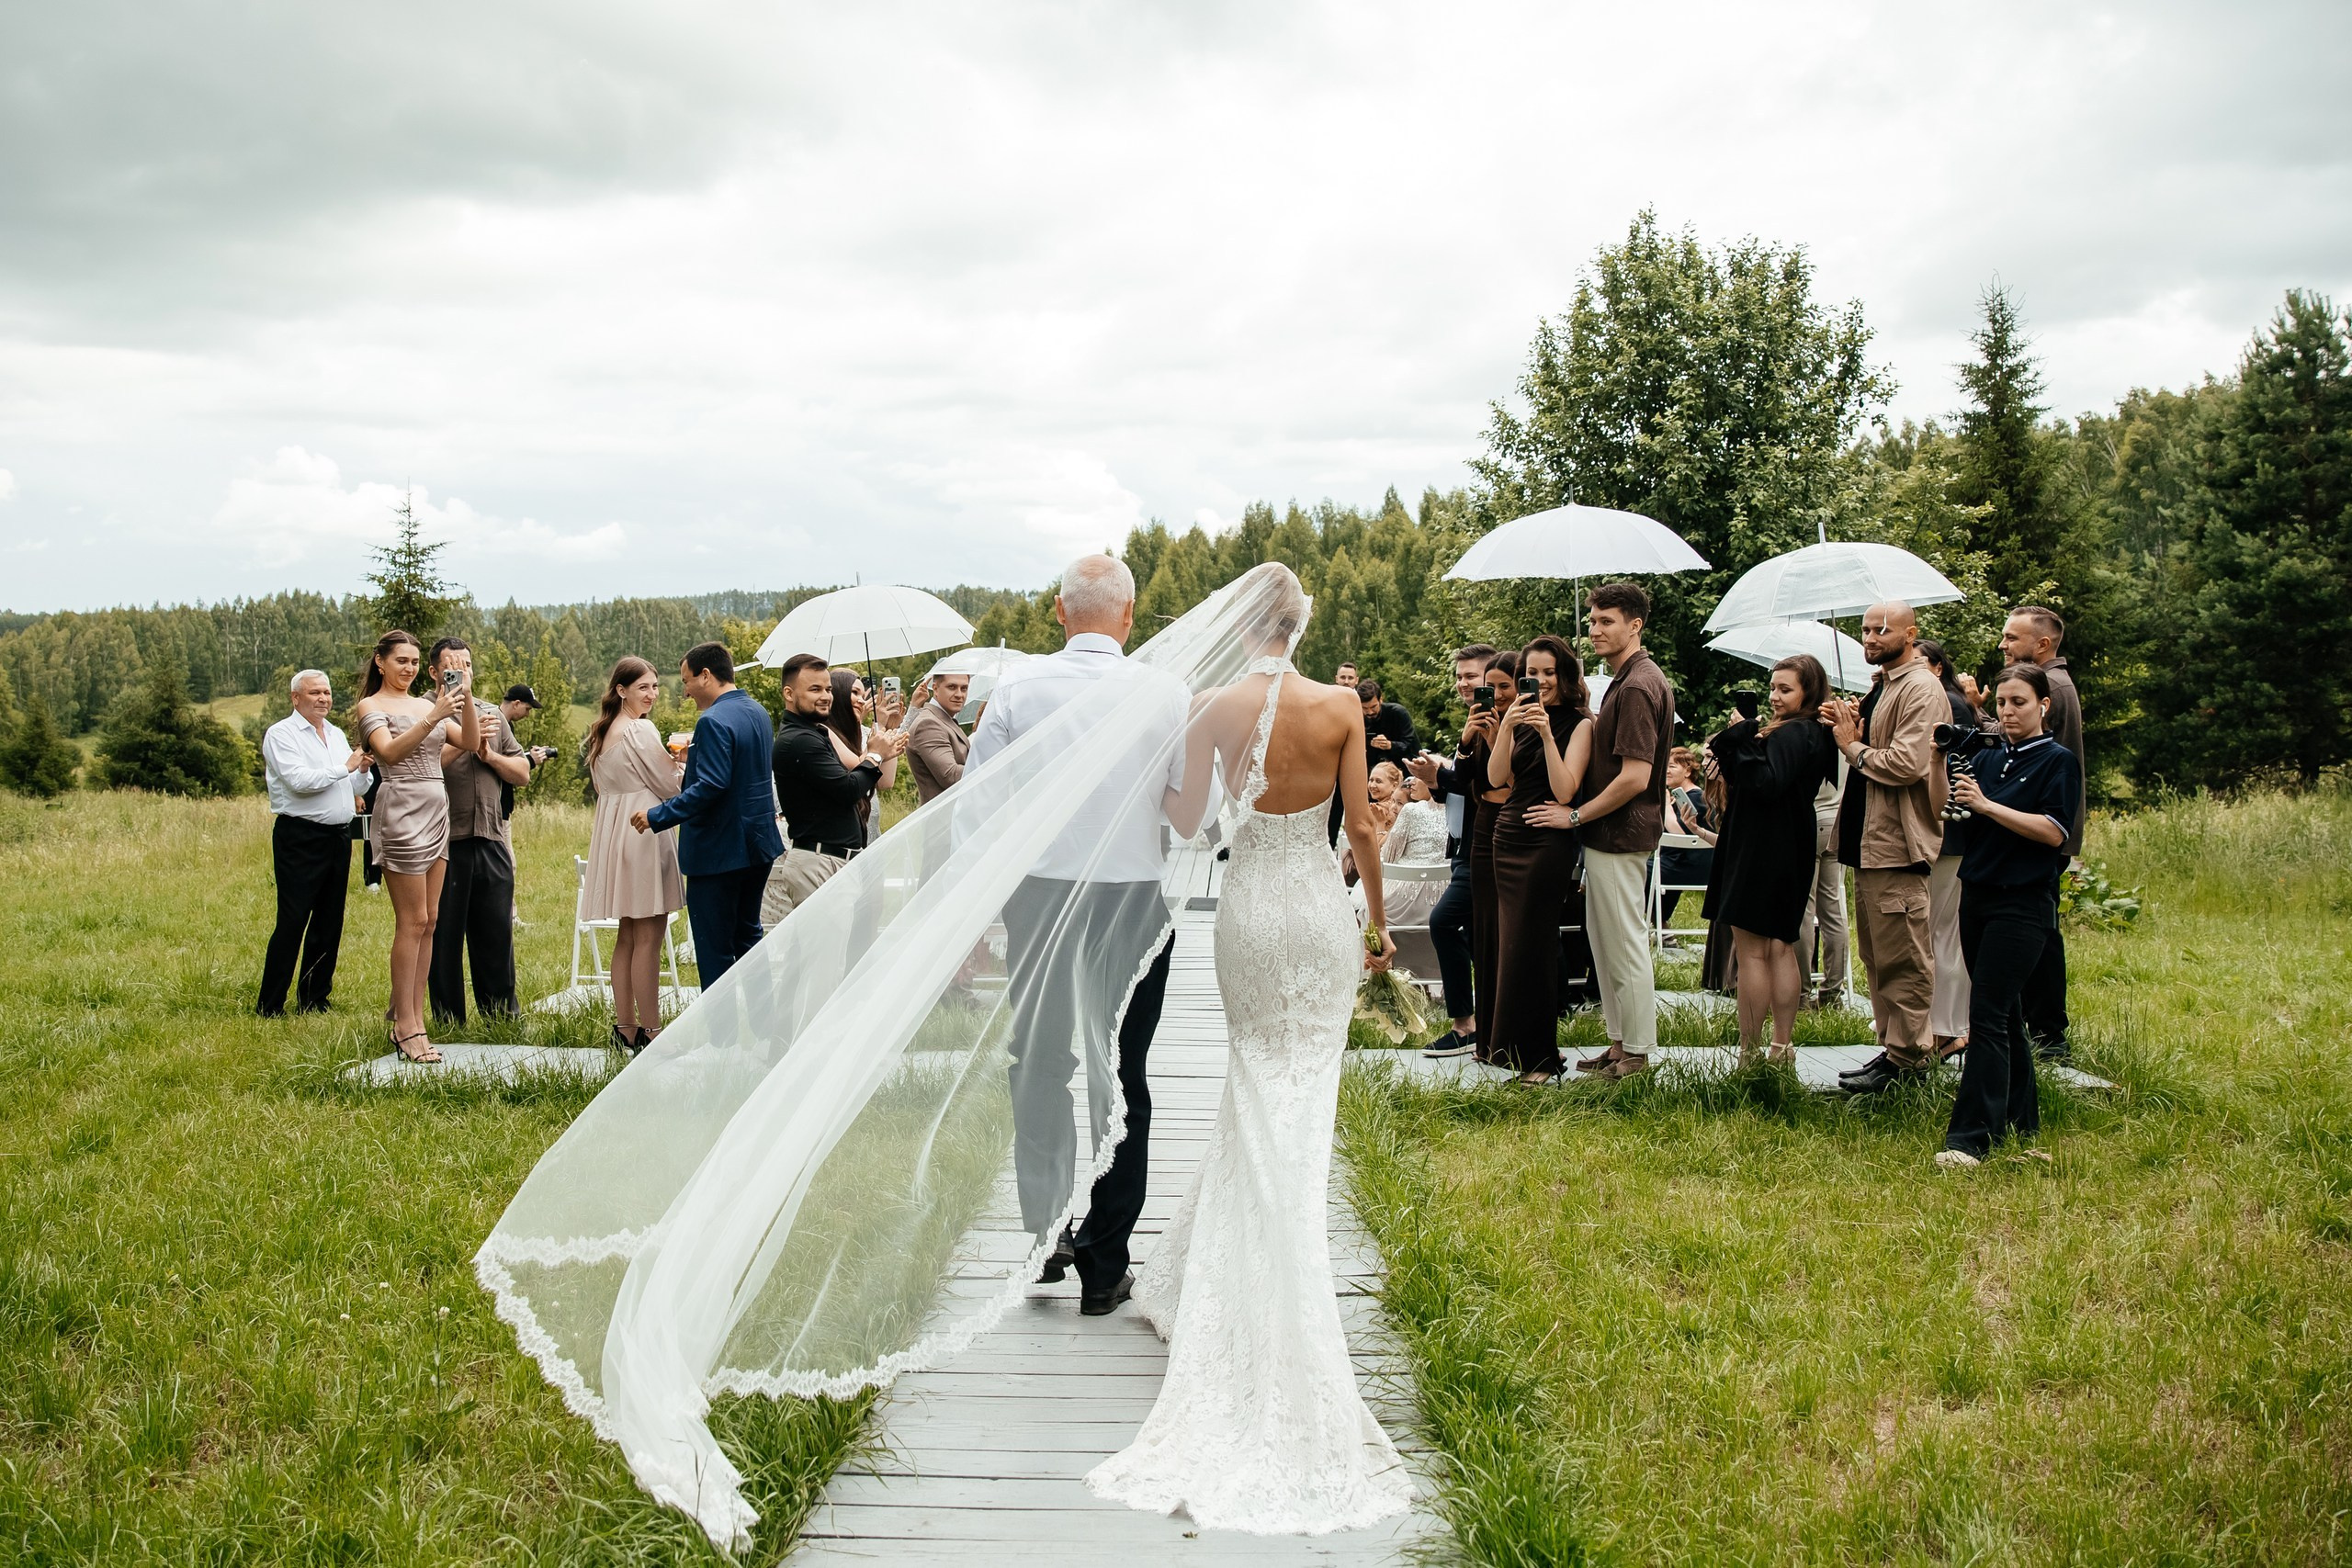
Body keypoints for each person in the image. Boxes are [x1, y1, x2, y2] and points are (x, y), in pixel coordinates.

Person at [1088, 560, 1412, 1534]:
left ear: (1242, 628)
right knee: (1299, 1087)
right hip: (1314, 909)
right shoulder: (1341, 705)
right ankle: (1287, 1260)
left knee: (1249, 1074)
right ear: (1302, 624)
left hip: (1245, 912)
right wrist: (1376, 924)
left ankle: (1235, 1263)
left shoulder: (1210, 703)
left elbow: (1186, 820)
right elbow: (1358, 823)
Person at [967, 553, 1187, 1316]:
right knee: (1124, 1073)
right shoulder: (1164, 692)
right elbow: (1187, 810)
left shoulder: (1019, 689)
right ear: (1129, 616)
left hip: (1041, 899)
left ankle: (1046, 1231)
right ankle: (1104, 1261)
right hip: (1131, 902)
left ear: (1059, 613)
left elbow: (979, 807)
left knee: (1039, 1062)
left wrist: (983, 910)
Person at [1937, 663, 2080, 1169]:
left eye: (2018, 702)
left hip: (2024, 904)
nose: (2007, 712)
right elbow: (1978, 821)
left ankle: (1972, 1138)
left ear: (2043, 705)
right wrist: (1962, 804)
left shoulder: (2057, 761)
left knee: (1988, 1015)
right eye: (2000, 703)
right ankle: (2022, 1119)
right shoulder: (1991, 758)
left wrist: (1987, 806)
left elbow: (2054, 831)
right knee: (2006, 1016)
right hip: (1977, 894)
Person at [1821, 603, 1948, 1096]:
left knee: (1906, 957)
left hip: (1898, 845)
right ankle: (1893, 1050)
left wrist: (1852, 744)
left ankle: (1913, 1058)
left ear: (1910, 633)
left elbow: (1907, 765)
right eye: (1866, 629)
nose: (1871, 637)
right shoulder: (1886, 683)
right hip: (1868, 845)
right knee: (1878, 955)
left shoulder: (1920, 687)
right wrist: (1853, 719)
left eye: (1882, 629)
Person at [1705, 656, 1840, 1065]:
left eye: (1786, 689)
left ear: (1809, 693)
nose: (1775, 696)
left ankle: (1749, 1052)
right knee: (1781, 946)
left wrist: (1741, 735)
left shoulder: (1794, 733)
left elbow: (1765, 783)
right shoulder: (1816, 732)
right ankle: (1782, 1046)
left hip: (1760, 845)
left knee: (1753, 953)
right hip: (1792, 841)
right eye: (1773, 687)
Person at [353, 629, 480, 1063]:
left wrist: (465, 698)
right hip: (401, 807)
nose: (408, 668)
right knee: (411, 921)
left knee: (430, 919)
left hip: (436, 807)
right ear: (380, 662)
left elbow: (470, 743)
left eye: (413, 662)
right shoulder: (372, 706)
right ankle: (404, 1025)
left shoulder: (428, 703)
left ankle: (416, 1016)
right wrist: (435, 715)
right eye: (401, 660)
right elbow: (388, 754)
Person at [1568, 582, 1675, 1080]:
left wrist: (1576, 816)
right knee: (1605, 940)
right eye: (1592, 621)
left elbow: (1635, 775)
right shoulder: (1625, 679)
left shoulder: (1636, 684)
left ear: (1635, 626)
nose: (1595, 629)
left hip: (1620, 831)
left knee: (1625, 942)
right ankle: (1618, 1046)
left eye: (1606, 621)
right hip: (1609, 834)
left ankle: (1636, 1053)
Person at [631, 642, 782, 988]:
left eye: (686, 681)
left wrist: (657, 816)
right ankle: (763, 1031)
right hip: (757, 845)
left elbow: (711, 787)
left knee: (714, 950)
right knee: (749, 938)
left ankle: (721, 1039)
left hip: (719, 851)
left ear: (706, 675)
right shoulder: (757, 711)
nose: (684, 691)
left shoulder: (712, 721)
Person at [1485, 635, 1593, 1082]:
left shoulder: (1581, 724)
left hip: (1547, 843)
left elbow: (1566, 789)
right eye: (1533, 674)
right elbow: (1496, 780)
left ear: (1564, 674)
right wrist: (1507, 727)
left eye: (1549, 672)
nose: (1541, 681)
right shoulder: (1519, 719)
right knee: (1512, 946)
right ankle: (1514, 1051)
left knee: (1536, 946)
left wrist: (1547, 734)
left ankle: (1542, 1058)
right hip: (1507, 837)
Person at [582, 657, 684, 1052]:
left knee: (629, 932)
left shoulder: (604, 731)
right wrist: (684, 763)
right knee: (649, 936)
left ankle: (625, 1026)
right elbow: (669, 785)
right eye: (644, 687)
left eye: (656, 687)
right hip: (644, 832)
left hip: (616, 831)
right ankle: (653, 1030)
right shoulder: (639, 730)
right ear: (622, 690)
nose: (653, 694)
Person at [425, 638, 529, 1025]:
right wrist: (466, 743)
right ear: (435, 672)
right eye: (452, 665)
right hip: (443, 840)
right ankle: (449, 1019)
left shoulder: (490, 713)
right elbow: (420, 767)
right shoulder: (425, 713)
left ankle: (501, 1016)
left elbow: (522, 774)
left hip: (491, 836)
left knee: (495, 933)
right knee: (443, 936)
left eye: (466, 664)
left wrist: (488, 753)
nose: (461, 671)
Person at [1999, 604, 2084, 1062]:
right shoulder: (2050, 682)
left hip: (2042, 830)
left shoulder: (2048, 685)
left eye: (2012, 638)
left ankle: (2050, 1035)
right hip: (2041, 829)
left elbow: (2032, 756)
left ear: (2043, 644)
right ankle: (2043, 1031)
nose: (2003, 646)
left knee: (2040, 935)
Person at [1405, 644, 1498, 1059]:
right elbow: (1464, 788)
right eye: (1459, 676)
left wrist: (1441, 773)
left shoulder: (1492, 723)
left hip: (1484, 846)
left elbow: (1488, 785)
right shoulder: (1474, 720)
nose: (1463, 683)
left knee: (1443, 922)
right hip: (1461, 844)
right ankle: (1490, 1022)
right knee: (1479, 936)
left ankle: (1466, 1025)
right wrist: (1437, 778)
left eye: (1471, 676)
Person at [256, 668, 368, 1016]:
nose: (323, 699)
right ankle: (270, 1004)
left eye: (327, 693)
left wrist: (362, 770)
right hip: (300, 837)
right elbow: (298, 781)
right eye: (315, 693)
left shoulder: (334, 734)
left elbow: (355, 788)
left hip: (338, 837)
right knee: (293, 920)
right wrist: (347, 766)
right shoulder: (282, 734)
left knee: (329, 921)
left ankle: (315, 998)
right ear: (296, 698)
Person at [764, 653, 900, 923]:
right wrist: (874, 756)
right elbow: (849, 790)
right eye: (814, 689)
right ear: (789, 693)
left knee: (829, 958)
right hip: (819, 862)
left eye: (827, 689)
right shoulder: (800, 740)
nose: (825, 696)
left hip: (830, 859)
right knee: (823, 960)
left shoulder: (813, 732)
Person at [1920, 639, 1984, 1061]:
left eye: (1921, 665)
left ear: (1939, 667)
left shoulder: (1949, 707)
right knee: (1934, 928)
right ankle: (1940, 1022)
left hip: (1952, 831)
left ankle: (1951, 1027)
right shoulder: (1946, 700)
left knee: (1943, 930)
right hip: (1942, 831)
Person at [1465, 649, 1521, 1063]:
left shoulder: (1527, 725)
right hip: (1484, 823)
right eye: (1492, 687)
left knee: (1510, 930)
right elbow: (1464, 778)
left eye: (1505, 685)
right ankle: (1485, 1037)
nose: (1497, 694)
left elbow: (1522, 781)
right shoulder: (1482, 721)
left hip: (1515, 821)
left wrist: (1498, 738)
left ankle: (1510, 1035)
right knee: (1484, 928)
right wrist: (1469, 741)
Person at [1328, 675, 1418, 843]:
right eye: (1365, 708)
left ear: (1381, 699)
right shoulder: (1356, 718)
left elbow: (1411, 745)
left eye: (1373, 707)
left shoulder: (1397, 713)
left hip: (1398, 776)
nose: (1370, 712)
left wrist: (1390, 745)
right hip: (1369, 777)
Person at [1657, 746, 1715, 931]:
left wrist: (1665, 806)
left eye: (1672, 766)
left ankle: (1659, 925)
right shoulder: (1683, 797)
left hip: (1689, 866)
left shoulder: (1696, 798)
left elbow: (1678, 834)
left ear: (1688, 771)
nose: (1666, 770)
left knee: (1638, 870)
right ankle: (1660, 925)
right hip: (1682, 865)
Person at [904, 670, 972, 803]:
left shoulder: (944, 719)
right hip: (942, 820)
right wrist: (992, 767)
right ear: (935, 688)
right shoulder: (928, 724)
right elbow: (950, 775)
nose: (959, 694)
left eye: (964, 688)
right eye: (952, 687)